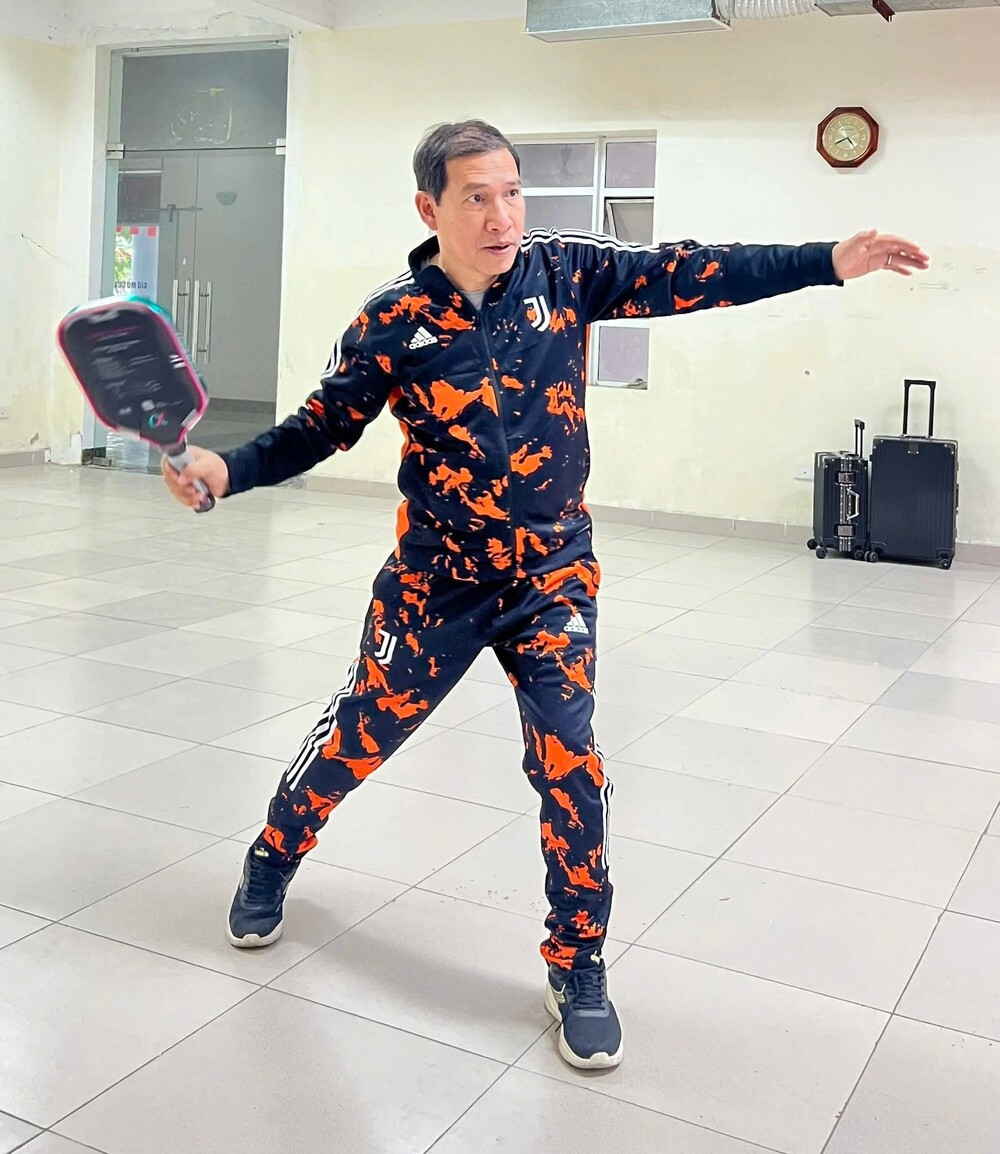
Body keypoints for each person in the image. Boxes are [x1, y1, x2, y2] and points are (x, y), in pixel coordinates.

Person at [162, 119, 928, 1070]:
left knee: (572, 763)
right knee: (359, 732)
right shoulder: (392, 322)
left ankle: (579, 962)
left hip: (552, 578)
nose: (502, 216)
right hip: (436, 584)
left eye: (513, 193)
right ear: (429, 208)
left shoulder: (565, 273)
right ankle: (273, 855)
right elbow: (318, 428)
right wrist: (229, 470)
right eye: (476, 198)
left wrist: (825, 262)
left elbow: (692, 270)